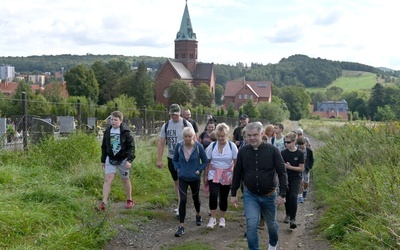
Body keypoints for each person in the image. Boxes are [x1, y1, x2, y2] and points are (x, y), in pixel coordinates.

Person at [231, 122, 288, 250]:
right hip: (250, 195)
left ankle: (273, 244)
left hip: (269, 195)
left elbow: (282, 172)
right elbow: (237, 172)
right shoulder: (243, 151)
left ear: (262, 134)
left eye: (255, 135)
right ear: (245, 136)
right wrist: (233, 193)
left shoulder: (273, 151)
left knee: (271, 224)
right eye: (249, 135)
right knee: (251, 224)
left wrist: (282, 194)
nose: (252, 138)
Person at [157, 104, 194, 216]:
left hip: (184, 158)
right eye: (172, 114)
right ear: (170, 114)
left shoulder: (186, 124)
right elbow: (161, 143)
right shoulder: (166, 125)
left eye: (176, 114)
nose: (174, 116)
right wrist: (159, 159)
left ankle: (180, 206)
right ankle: (180, 203)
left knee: (182, 181)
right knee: (176, 182)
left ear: (180, 113)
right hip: (172, 158)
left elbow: (194, 141)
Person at [172, 127, 208, 237]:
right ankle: (181, 226)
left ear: (193, 136)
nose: (187, 138)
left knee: (195, 198)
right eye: (185, 136)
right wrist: (177, 168)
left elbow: (205, 161)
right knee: (183, 200)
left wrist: (199, 170)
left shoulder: (198, 147)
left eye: (189, 136)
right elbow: (174, 159)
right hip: (182, 177)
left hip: (194, 177)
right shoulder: (179, 146)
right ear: (183, 137)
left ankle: (198, 214)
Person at [100, 111, 136, 211]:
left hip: (123, 158)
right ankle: (103, 202)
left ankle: (129, 200)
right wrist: (103, 160)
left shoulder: (125, 131)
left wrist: (129, 160)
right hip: (110, 157)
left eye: (115, 120)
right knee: (108, 179)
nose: (113, 122)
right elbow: (104, 146)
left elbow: (131, 146)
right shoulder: (107, 131)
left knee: (125, 179)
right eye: (111, 119)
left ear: (121, 121)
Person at [204, 122, 238, 229]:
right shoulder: (212, 146)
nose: (220, 138)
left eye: (222, 136)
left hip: (227, 174)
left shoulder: (232, 146)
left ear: (227, 135)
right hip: (213, 173)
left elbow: (236, 162)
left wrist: (235, 176)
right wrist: (205, 176)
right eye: (218, 136)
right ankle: (213, 218)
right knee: (213, 194)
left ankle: (222, 217)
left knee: (224, 195)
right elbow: (207, 162)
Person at [281, 132, 304, 229]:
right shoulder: (283, 153)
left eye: (288, 142)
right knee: (286, 195)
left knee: (293, 196)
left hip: (296, 178)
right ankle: (288, 214)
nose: (286, 144)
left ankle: (293, 219)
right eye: (285, 142)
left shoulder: (300, 153)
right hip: (285, 177)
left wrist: (290, 167)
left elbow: (301, 168)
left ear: (294, 141)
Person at [296, 137, 314, 203]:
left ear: (305, 143)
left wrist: (309, 167)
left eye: (302, 144)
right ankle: (300, 196)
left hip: (306, 169)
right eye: (299, 144)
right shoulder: (296, 150)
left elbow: (312, 160)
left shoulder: (309, 151)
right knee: (301, 182)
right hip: (299, 169)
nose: (301, 146)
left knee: (306, 182)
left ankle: (305, 190)